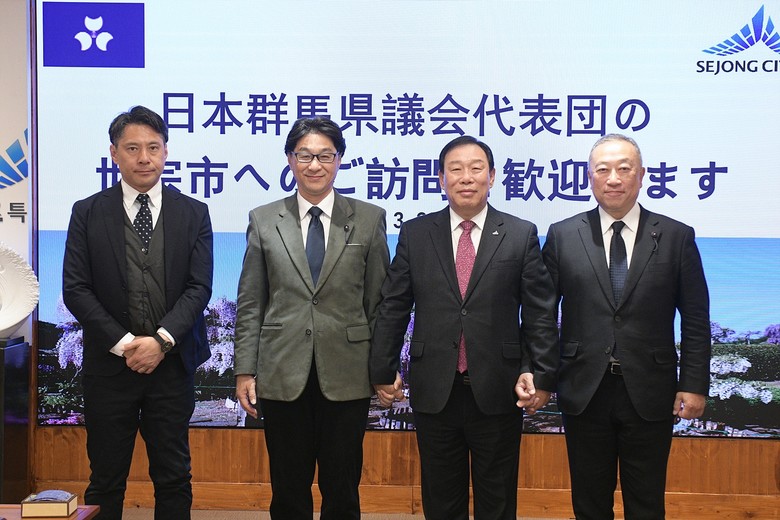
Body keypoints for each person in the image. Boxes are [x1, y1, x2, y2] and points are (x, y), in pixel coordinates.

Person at [370, 135, 559, 520]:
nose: (466, 177)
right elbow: (394, 306)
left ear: (492, 176)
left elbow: (539, 313)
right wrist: (382, 368)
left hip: (499, 387)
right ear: (441, 179)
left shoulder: (520, 233)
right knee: (441, 498)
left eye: (476, 168)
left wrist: (539, 373)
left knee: (497, 499)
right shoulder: (417, 234)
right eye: (455, 169)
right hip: (434, 386)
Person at [542, 134, 710, 519]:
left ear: (642, 175)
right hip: (584, 388)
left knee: (646, 502)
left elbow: (696, 319)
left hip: (650, 389)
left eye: (624, 168)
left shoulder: (676, 236)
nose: (613, 178)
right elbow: (542, 316)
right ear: (589, 177)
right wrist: (543, 377)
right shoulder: (563, 235)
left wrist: (694, 384)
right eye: (603, 169)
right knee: (589, 502)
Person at [233, 117, 390, 520]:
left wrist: (382, 368)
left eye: (325, 155)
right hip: (282, 370)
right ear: (290, 159)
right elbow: (251, 302)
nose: (315, 164)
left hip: (348, 372)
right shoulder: (264, 219)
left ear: (339, 160)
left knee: (342, 487)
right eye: (304, 155)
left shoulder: (369, 218)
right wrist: (245, 370)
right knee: (288, 487)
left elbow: (379, 303)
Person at [62, 105, 213, 520]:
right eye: (132, 148)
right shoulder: (88, 212)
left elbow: (199, 287)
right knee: (105, 478)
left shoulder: (193, 212)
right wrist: (127, 344)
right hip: (110, 367)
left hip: (172, 365)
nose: (144, 157)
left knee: (174, 476)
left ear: (166, 151)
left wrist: (161, 341)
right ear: (114, 153)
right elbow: (75, 288)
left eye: (153, 147)